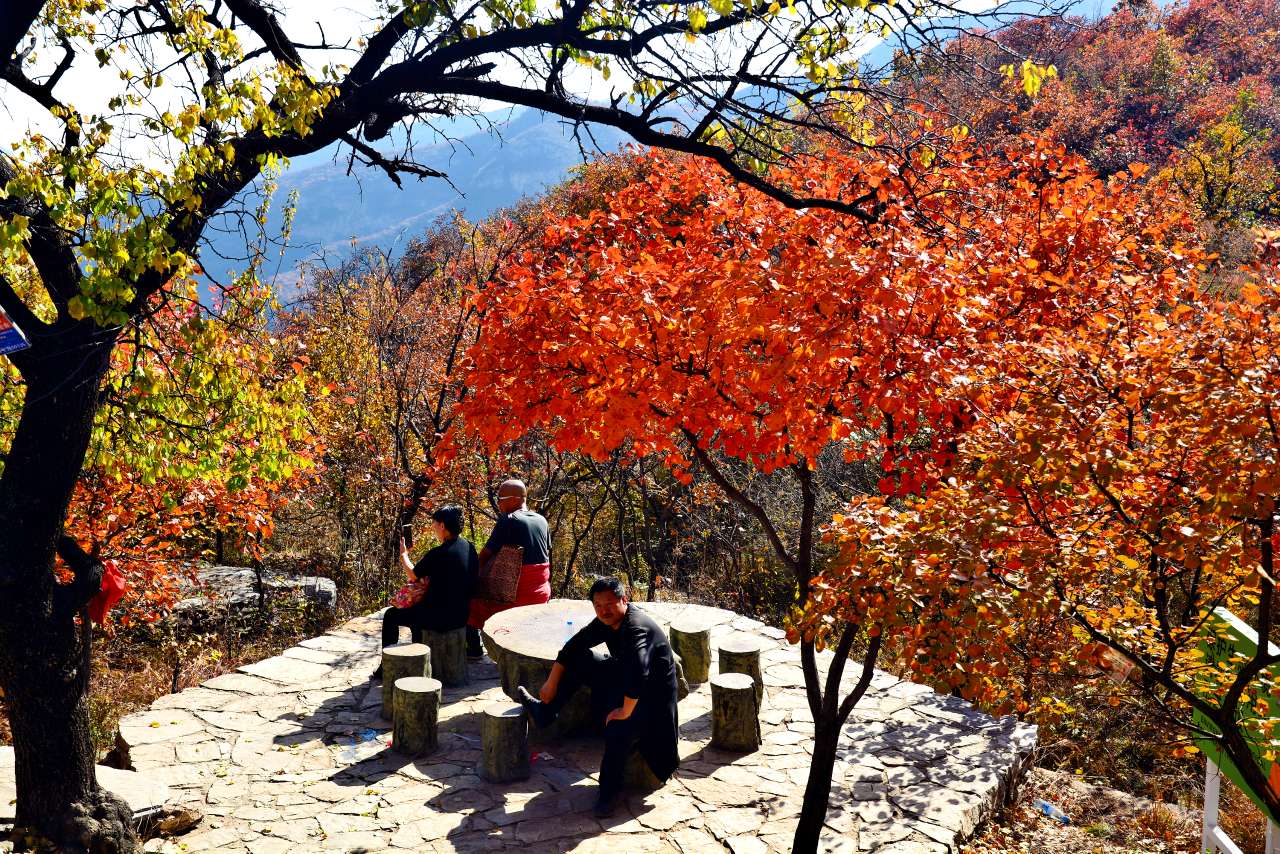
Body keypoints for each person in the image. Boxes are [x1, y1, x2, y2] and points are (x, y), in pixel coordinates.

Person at [515, 577, 680, 818]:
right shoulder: (607, 620)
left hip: (651, 700)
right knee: (580, 658)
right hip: (626, 679)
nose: (604, 610)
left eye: (610, 604)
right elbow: (574, 645)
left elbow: (639, 673)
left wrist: (623, 711)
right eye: (598, 605)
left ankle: (609, 793)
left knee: (617, 727)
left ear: (625, 600)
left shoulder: (636, 628)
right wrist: (551, 682)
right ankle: (546, 712)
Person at [374, 505, 478, 678]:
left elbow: (413, 575)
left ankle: (385, 667)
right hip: (462, 615)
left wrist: (404, 555)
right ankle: (419, 657)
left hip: (439, 618)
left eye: (435, 523)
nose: (433, 527)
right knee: (418, 614)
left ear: (443, 526)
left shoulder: (439, 553)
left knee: (391, 616)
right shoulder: (469, 547)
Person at [466, 478, 551, 658]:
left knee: (472, 601)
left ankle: (474, 650)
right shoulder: (542, 520)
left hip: (518, 591)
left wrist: (472, 575)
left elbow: (486, 554)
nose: (498, 503)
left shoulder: (509, 520)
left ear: (515, 499)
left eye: (500, 499)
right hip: (541, 590)